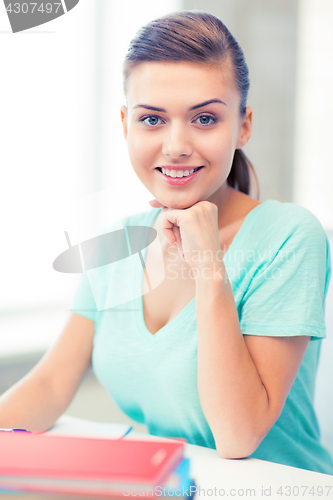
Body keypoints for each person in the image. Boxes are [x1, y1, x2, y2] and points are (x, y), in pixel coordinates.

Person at [0, 10, 332, 476]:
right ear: (125, 125)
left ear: (243, 126)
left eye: (204, 118)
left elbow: (237, 436)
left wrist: (209, 269)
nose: (176, 145)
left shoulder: (291, 238)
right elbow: (51, 385)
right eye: (152, 119)